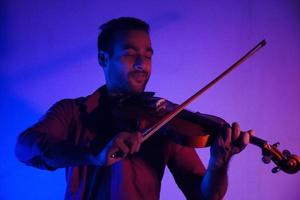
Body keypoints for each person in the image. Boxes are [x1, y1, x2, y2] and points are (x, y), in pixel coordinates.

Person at [15, 17, 254, 200]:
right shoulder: (72, 112)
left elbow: (204, 196)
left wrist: (219, 165)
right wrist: (92, 155)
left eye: (147, 56)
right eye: (130, 54)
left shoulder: (164, 120)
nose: (141, 65)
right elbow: (24, 148)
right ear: (103, 59)